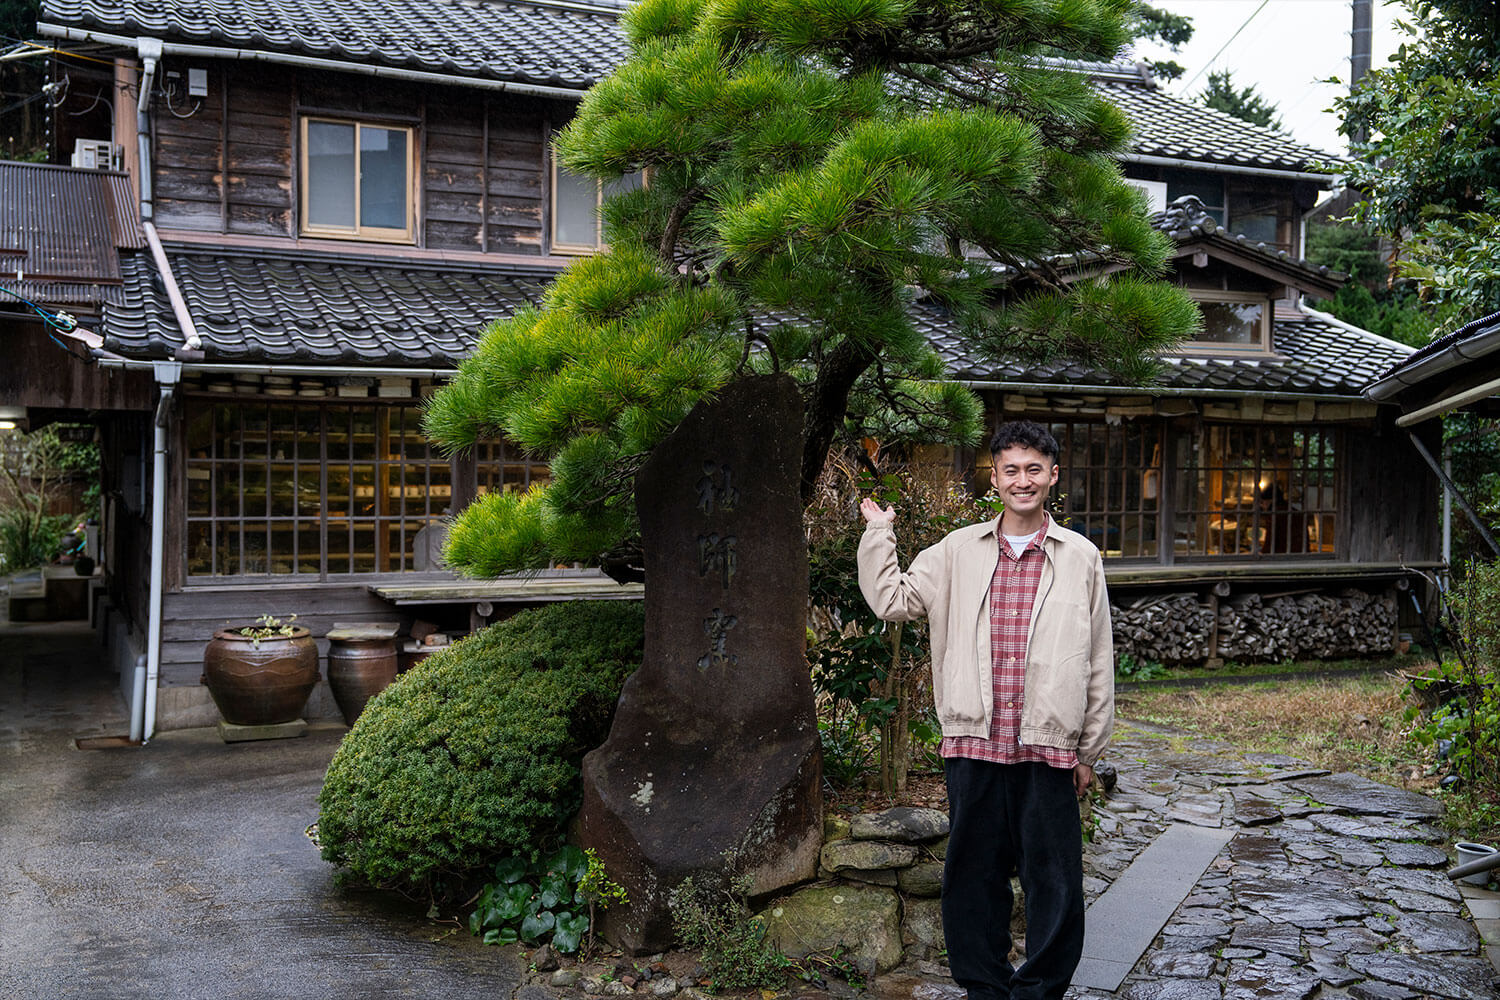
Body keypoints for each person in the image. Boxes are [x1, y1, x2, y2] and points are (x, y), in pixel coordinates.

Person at [857, 420, 1114, 1000]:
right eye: (1010, 469)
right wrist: (879, 534)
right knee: (972, 877)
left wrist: (1089, 750)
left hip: (1048, 746)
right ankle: (984, 987)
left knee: (1055, 882)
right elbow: (893, 600)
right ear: (993, 476)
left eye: (1033, 469)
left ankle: (1040, 989)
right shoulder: (956, 551)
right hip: (974, 743)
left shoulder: (1081, 558)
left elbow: (1098, 657)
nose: (1022, 480)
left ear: (1052, 475)